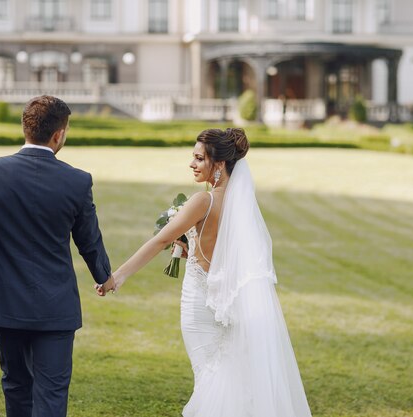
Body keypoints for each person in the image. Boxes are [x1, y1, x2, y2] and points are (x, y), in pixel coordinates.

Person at [97, 128, 311, 416]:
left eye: (199, 158)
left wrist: (118, 276)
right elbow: (225, 257)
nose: (192, 164)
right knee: (227, 375)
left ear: (219, 165)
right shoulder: (240, 205)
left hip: (200, 305)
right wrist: (192, 249)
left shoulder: (203, 201)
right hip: (228, 305)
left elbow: (160, 239)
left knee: (210, 379)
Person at [0, 95, 116, 417]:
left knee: (16, 385)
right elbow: (89, 240)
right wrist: (104, 276)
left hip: (5, 302)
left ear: (25, 128)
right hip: (57, 304)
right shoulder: (77, 180)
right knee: (52, 393)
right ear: (59, 134)